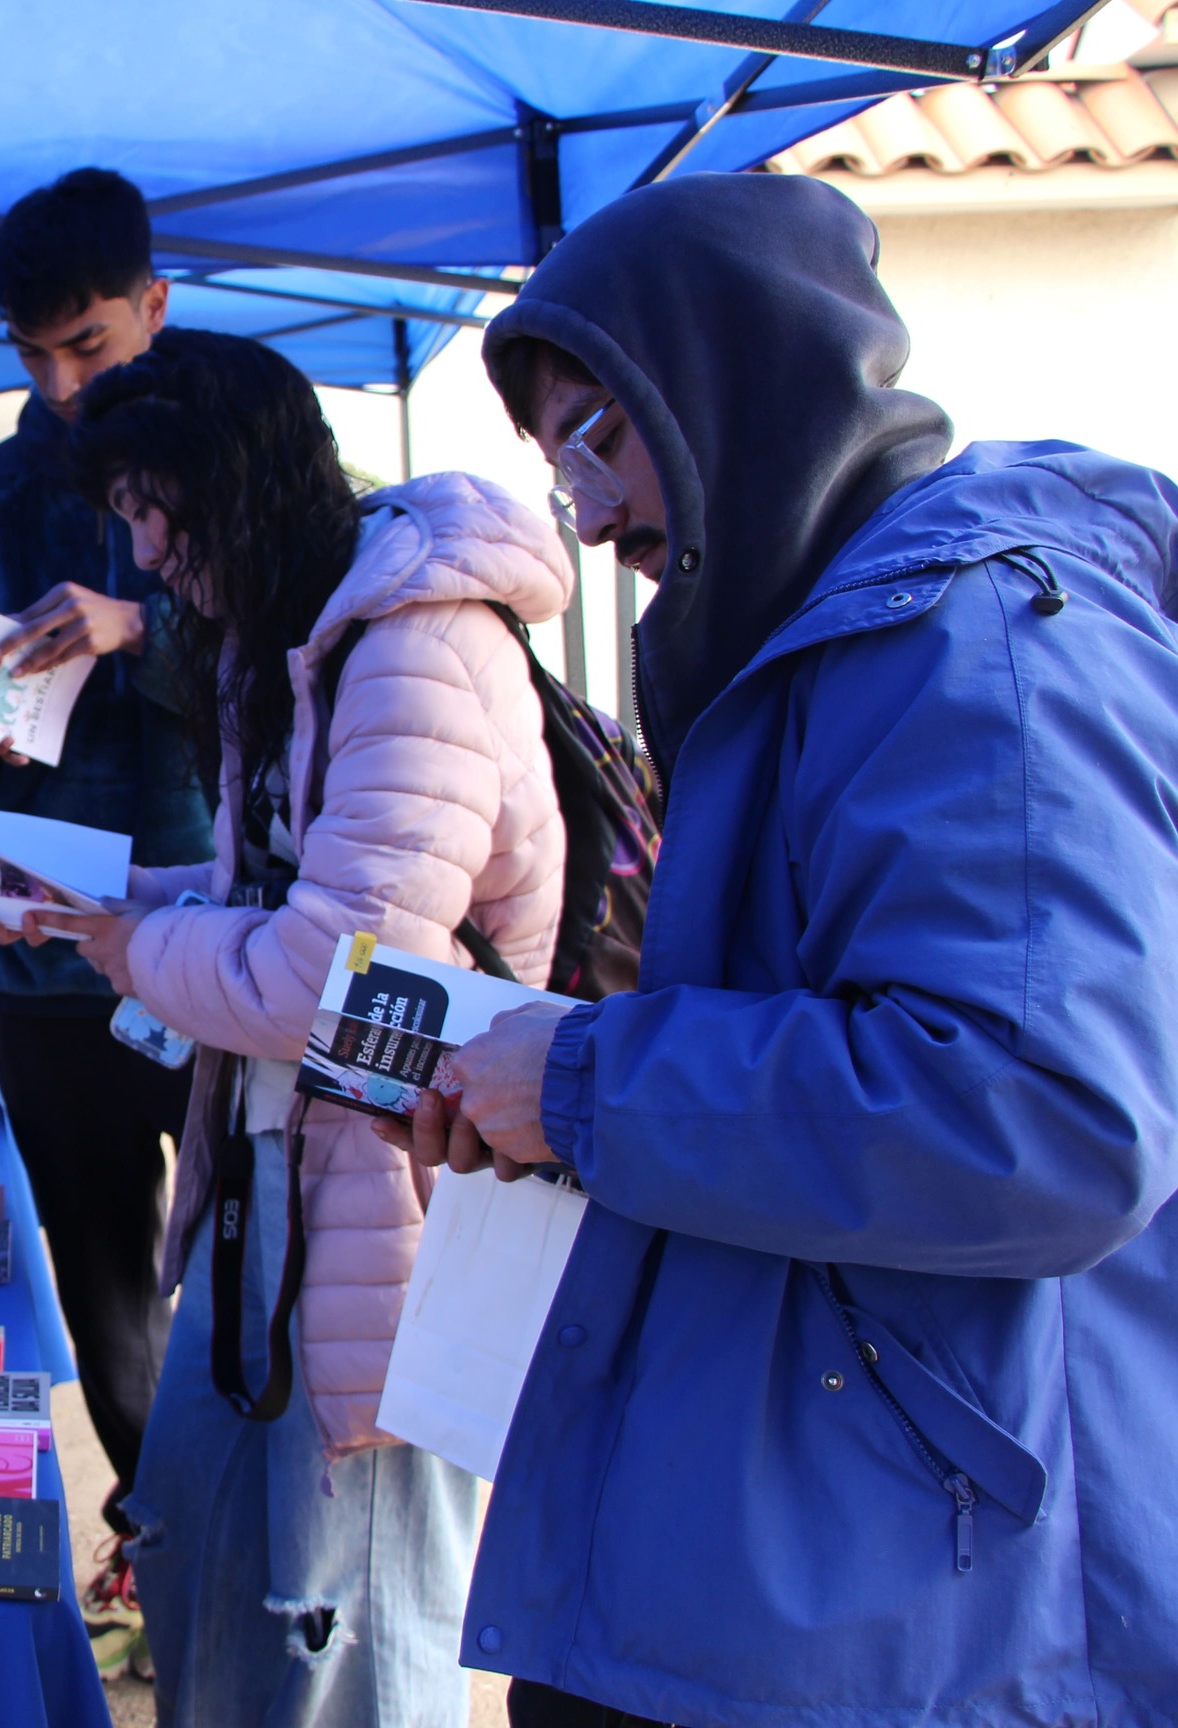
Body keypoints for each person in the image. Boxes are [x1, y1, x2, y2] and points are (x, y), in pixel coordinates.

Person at [388, 171, 1178, 1726]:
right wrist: (551, 1104)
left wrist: (590, 1080)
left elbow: (1043, 1112)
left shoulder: (974, 642)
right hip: (821, 1527)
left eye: (604, 436)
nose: (593, 509)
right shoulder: (827, 637)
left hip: (921, 1587)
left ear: (738, 386)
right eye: (559, 463)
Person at [22, 327, 572, 1727]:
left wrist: (123, 943)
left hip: (393, 1207)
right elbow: (259, 897)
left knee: (351, 1632)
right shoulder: (296, 640)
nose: (147, 556)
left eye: (158, 512)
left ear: (239, 488)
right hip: (275, 1197)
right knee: (221, 1578)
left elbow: (320, 977)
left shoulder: (415, 654)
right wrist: (90, 897)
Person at [0, 167, 213, 1584]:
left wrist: (139, 627)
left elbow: (313, 669)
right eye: (30, 355)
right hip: (39, 947)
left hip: (225, 951)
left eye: (87, 346)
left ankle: (248, 1531)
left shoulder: (242, 463)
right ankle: (157, 1536)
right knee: (101, 1279)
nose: (58, 382)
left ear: (155, 305)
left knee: (247, 1261)